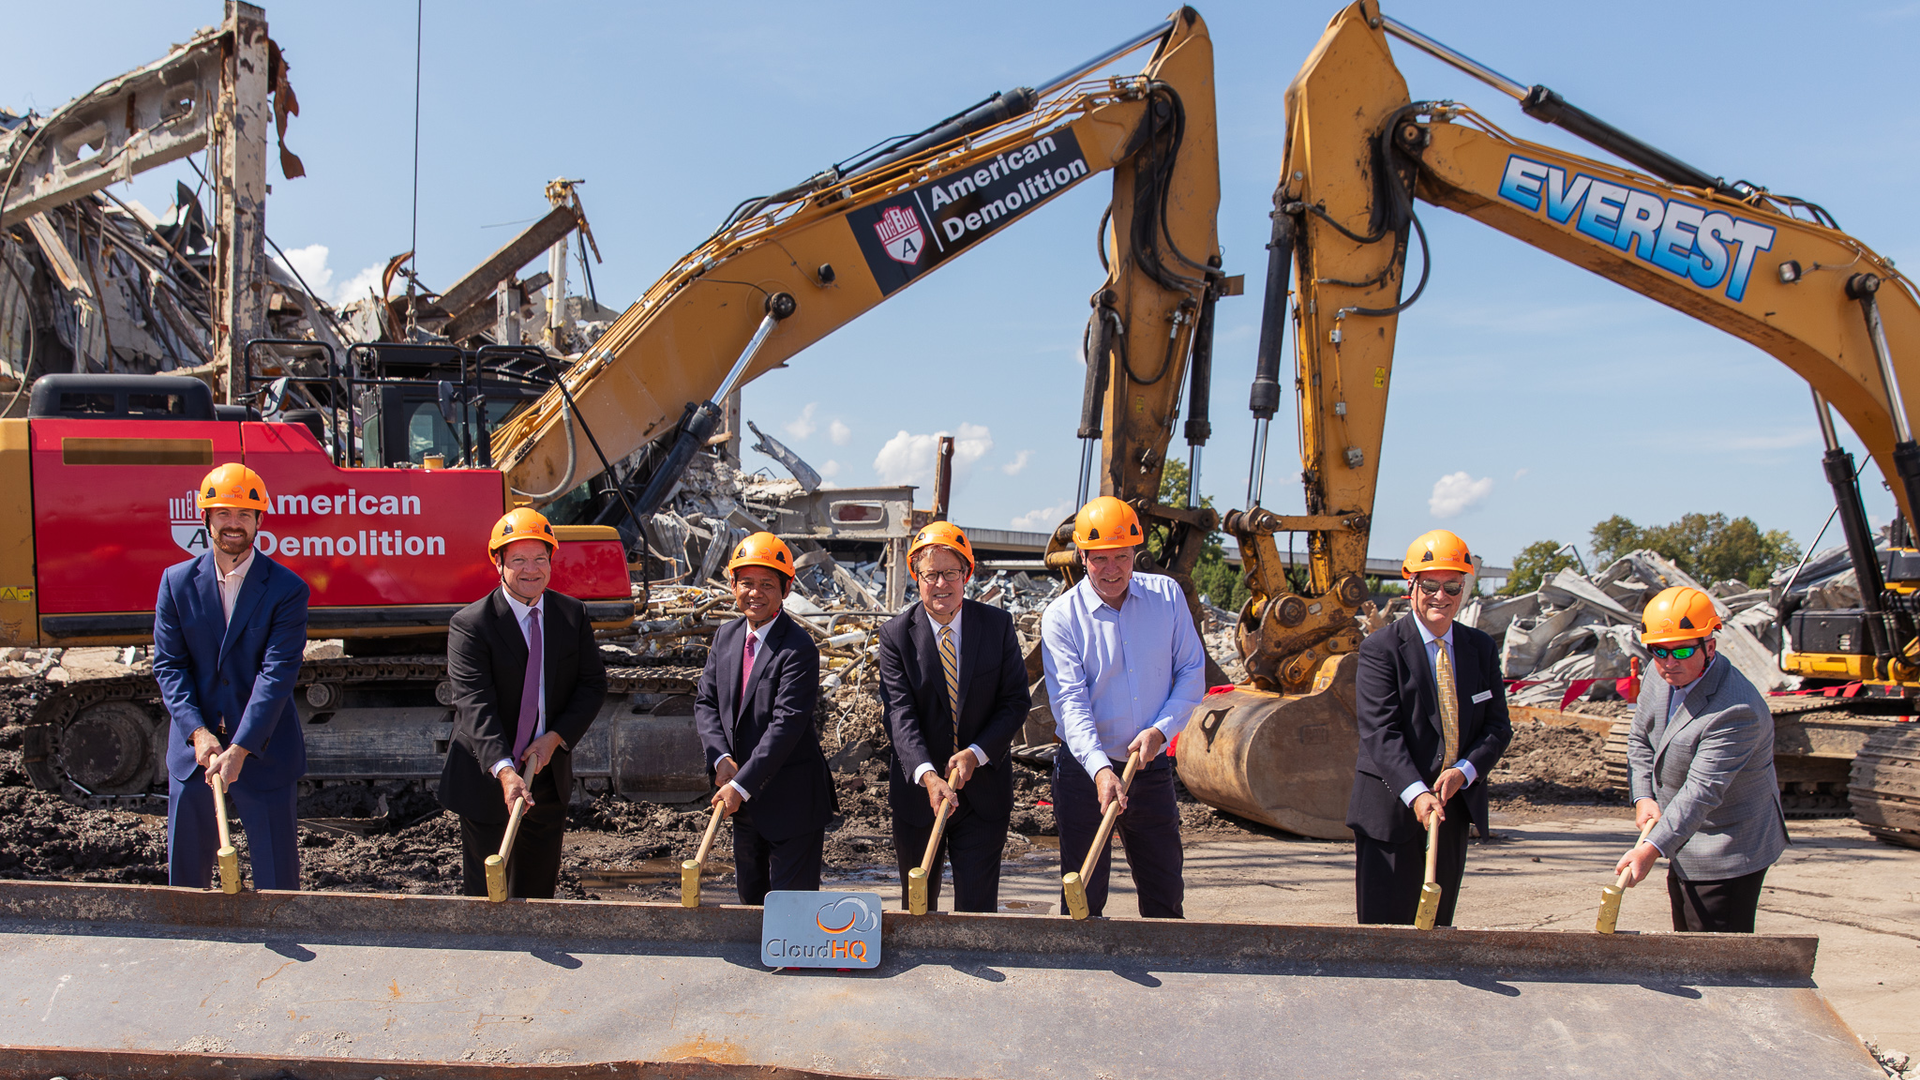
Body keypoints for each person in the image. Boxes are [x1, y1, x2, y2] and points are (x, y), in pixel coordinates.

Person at [1041, 496, 1206, 919]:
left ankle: (1170, 971)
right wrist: (1100, 770)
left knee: (1164, 886)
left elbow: (1190, 670)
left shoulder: (1166, 597)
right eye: (1099, 560)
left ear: (1136, 552)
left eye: (1122, 556)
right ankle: (1081, 974)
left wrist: (1162, 730)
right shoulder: (1062, 617)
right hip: (1084, 774)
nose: (1112, 569)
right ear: (1081, 556)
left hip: (1149, 771)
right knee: (1083, 895)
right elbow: (1070, 703)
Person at [153, 463, 310, 890]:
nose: (233, 524)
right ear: (206, 518)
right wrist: (197, 733)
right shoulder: (176, 583)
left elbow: (276, 674)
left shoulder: (286, 589)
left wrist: (240, 748)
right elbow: (170, 666)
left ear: (260, 520)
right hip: (195, 757)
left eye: (244, 514)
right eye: (223, 513)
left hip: (262, 753)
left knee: (277, 881)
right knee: (186, 882)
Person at [438, 507, 607, 899]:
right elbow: (474, 703)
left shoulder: (571, 615)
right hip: (488, 777)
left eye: (540, 559)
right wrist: (504, 771)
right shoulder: (471, 625)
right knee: (488, 896)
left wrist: (556, 737)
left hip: (546, 775)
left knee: (536, 894)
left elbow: (592, 684)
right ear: (498, 562)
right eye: (518, 560)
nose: (531, 570)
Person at [1348, 529, 1512, 925]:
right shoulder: (1381, 649)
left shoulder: (1481, 648)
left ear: (1464, 589)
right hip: (1392, 812)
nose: (1441, 596)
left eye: (1452, 587)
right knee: (1384, 937)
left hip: (1452, 809)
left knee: (1436, 933)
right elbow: (1380, 732)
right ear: (1411, 585)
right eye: (1431, 585)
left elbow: (1497, 727)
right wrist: (1418, 794)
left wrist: (1465, 771)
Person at [1615, 586, 1788, 932]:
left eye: (1681, 650)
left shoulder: (1736, 710)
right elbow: (1639, 739)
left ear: (1710, 646)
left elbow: (1702, 791)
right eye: (1659, 651)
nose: (1669, 662)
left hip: (1727, 845)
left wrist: (1650, 848)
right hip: (1679, 833)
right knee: (1687, 942)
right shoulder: (1659, 673)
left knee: (1715, 956)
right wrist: (1643, 795)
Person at [878, 522, 1031, 912]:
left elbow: (1014, 702)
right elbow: (900, 714)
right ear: (916, 577)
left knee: (977, 911)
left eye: (951, 572)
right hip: (919, 798)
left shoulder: (996, 627)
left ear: (967, 575)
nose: (941, 584)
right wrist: (929, 775)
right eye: (931, 574)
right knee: (917, 906)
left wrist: (976, 753)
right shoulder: (896, 635)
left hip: (984, 794)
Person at [695, 531, 831, 904]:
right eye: (746, 583)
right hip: (744, 803)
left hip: (792, 801)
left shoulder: (798, 648)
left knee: (793, 913)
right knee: (751, 903)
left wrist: (740, 786)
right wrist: (721, 758)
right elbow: (706, 702)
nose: (755, 593)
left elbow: (786, 725)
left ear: (786, 590)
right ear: (733, 585)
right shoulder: (726, 636)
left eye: (767, 584)